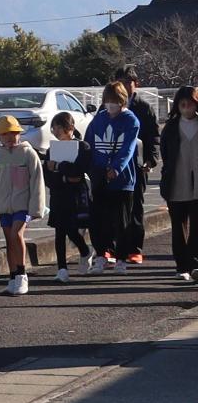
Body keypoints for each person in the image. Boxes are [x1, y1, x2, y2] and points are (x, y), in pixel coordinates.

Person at [0, 115, 46, 296]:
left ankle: (22, 275)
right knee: (9, 240)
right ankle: (13, 277)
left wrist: (36, 208)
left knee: (17, 234)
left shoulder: (28, 153)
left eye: (14, 133)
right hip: (4, 207)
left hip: (23, 206)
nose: (10, 137)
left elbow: (37, 182)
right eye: (5, 134)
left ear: (19, 134)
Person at [83, 81, 143, 271]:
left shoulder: (131, 120)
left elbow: (128, 149)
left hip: (123, 180)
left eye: (115, 100)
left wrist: (116, 168)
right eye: (108, 100)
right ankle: (102, 255)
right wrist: (88, 168)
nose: (111, 104)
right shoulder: (99, 119)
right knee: (98, 221)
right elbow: (88, 143)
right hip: (99, 177)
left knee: (121, 221)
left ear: (122, 100)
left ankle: (121, 258)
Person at [42, 111, 93, 282]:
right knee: (59, 231)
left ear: (70, 127)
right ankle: (62, 269)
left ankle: (85, 250)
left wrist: (58, 166)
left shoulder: (82, 147)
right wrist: (64, 176)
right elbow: (48, 176)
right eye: (54, 128)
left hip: (76, 195)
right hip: (58, 194)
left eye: (59, 127)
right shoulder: (51, 149)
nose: (56, 131)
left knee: (72, 228)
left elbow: (78, 171)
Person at [120, 66, 159, 265]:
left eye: (128, 82)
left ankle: (135, 249)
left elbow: (153, 135)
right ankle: (115, 248)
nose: (124, 86)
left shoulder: (144, 107)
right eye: (120, 81)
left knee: (136, 206)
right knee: (115, 208)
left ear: (136, 84)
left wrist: (151, 159)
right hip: (115, 166)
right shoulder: (107, 106)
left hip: (137, 164)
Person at [159, 86, 198, 282]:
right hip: (177, 181)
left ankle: (194, 263)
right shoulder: (172, 127)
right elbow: (165, 153)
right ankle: (182, 266)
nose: (186, 107)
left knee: (197, 227)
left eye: (190, 104)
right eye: (182, 104)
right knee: (178, 226)